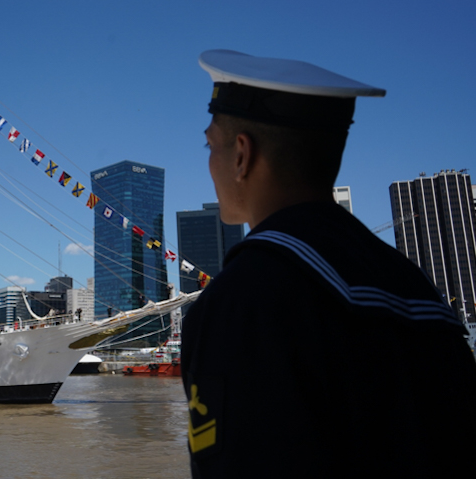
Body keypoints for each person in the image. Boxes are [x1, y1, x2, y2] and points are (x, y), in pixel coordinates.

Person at [182, 50, 476, 478]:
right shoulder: (418, 291)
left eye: (210, 144)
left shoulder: (244, 299)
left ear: (242, 155)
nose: (208, 160)